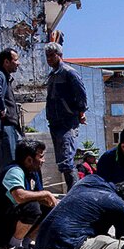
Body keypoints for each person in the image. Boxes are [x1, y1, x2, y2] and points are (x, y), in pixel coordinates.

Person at [0, 139, 57, 249]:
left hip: (13, 221)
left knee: (49, 207)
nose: (43, 160)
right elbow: (19, 196)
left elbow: (40, 196)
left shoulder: (34, 173)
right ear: (29, 160)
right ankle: (14, 244)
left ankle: (26, 242)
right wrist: (46, 194)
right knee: (32, 207)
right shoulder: (14, 171)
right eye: (41, 157)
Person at [45, 42, 88, 191]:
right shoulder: (52, 75)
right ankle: (73, 193)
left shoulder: (69, 72)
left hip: (67, 122)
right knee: (62, 163)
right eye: (47, 56)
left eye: (52, 55)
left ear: (60, 55)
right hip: (55, 122)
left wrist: (80, 112)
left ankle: (75, 195)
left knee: (67, 160)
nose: (49, 59)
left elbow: (81, 95)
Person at [0, 48, 24, 178]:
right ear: (6, 62)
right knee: (7, 164)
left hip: (9, 127)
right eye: (16, 60)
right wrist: (2, 109)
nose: (18, 63)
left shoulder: (5, 77)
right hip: (3, 127)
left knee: (12, 162)